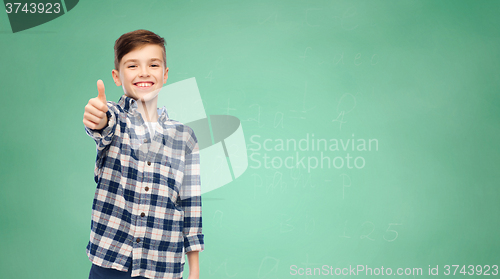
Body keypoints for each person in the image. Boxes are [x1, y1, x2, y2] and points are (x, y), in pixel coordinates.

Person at [82, 29, 204, 279]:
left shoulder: (185, 137)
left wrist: (194, 271)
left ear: (165, 74)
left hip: (163, 266)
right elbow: (103, 126)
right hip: (110, 263)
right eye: (132, 65)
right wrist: (98, 118)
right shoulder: (115, 119)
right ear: (117, 76)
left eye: (153, 64)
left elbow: (190, 205)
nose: (144, 72)